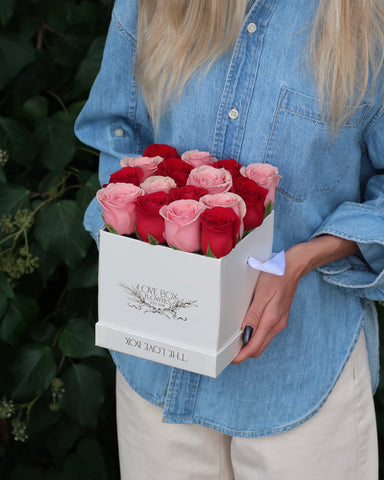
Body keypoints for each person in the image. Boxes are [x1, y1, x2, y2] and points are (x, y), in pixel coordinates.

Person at [75, 0, 384, 478]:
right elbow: (117, 131)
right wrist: (138, 248)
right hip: (157, 370)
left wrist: (301, 259)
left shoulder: (367, 18)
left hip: (299, 376)